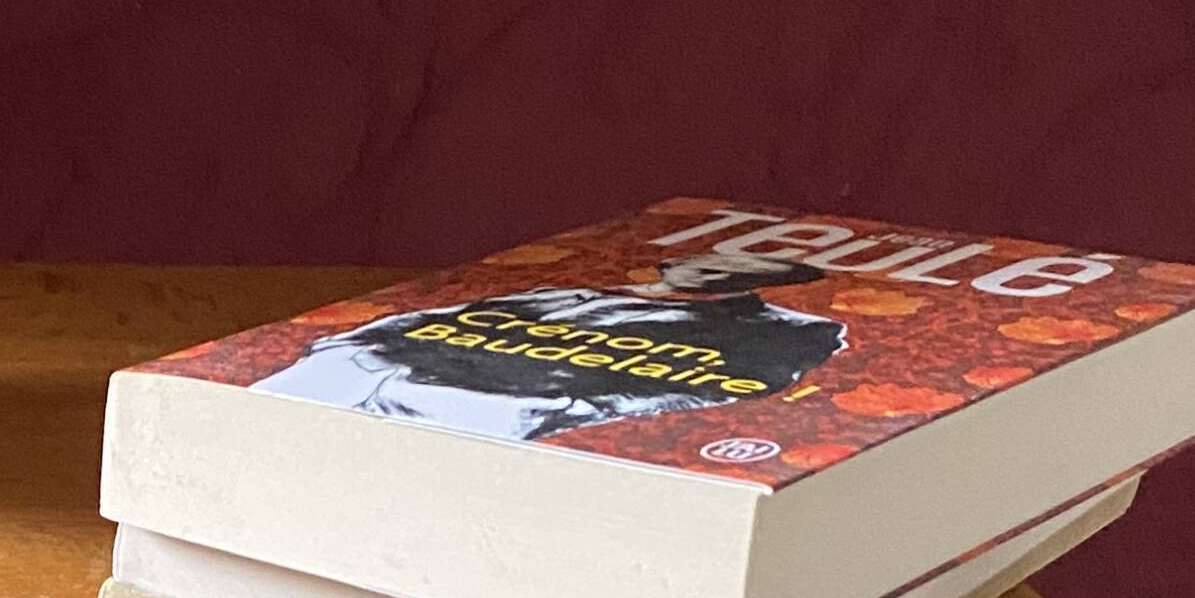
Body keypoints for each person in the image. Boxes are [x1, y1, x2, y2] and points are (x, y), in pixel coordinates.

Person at [254, 234, 849, 442]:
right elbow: (460, 310)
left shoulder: (791, 328)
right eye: (711, 258)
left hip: (493, 405)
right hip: (362, 367)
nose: (712, 270)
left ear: (780, 282)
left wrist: (572, 407)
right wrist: (343, 349)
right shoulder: (568, 288)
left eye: (746, 273)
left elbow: (733, 386)